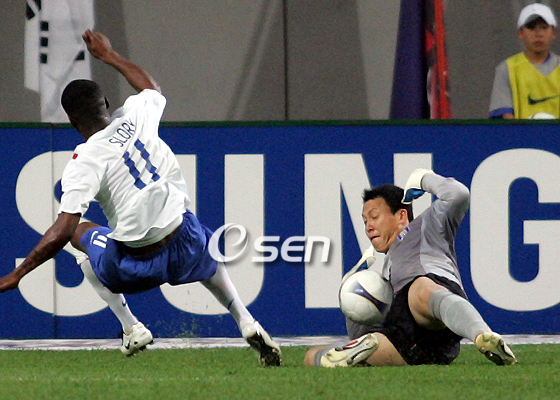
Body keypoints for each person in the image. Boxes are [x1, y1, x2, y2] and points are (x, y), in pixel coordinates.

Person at [0, 30, 282, 367]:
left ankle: (132, 327)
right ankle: (246, 321)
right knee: (203, 242)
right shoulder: (136, 115)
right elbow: (150, 87)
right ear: (106, 104)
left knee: (77, 233)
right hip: (185, 243)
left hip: (134, 265)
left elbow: (62, 229)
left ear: (72, 121)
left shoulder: (84, 161)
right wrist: (109, 55)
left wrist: (19, 274)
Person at [304, 168, 517, 367]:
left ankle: (483, 335)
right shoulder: (387, 271)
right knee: (313, 356)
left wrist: (423, 177)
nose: (368, 226)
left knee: (420, 288)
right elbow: (364, 331)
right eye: (365, 221)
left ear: (401, 216)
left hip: (433, 305)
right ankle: (351, 352)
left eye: (374, 217)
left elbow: (458, 194)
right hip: (416, 343)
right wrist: (350, 300)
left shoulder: (425, 226)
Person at [489, 3, 560, 119]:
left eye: (544, 28)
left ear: (553, 33)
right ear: (520, 33)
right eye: (531, 28)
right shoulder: (507, 69)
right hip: (521, 131)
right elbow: (505, 117)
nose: (538, 34)